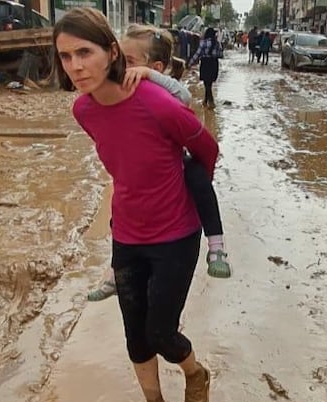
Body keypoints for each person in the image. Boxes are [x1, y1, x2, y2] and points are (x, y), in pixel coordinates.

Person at [53, 7, 214, 402]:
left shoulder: (158, 103)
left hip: (176, 234)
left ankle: (196, 374)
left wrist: (196, 202)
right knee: (134, 334)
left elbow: (206, 149)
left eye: (84, 52)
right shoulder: (82, 110)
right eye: (65, 57)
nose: (76, 66)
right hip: (127, 234)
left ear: (110, 52)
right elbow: (122, 162)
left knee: (160, 331)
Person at [87, 24, 232, 302]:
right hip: (138, 169)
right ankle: (114, 272)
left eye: (129, 62)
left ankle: (216, 246)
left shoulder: (159, 86)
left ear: (156, 66)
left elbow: (185, 97)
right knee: (122, 203)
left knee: (199, 180)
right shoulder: (114, 91)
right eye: (119, 59)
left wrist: (148, 75)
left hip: (174, 160)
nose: (122, 67)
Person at [187, 27, 222, 109]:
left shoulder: (203, 42)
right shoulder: (217, 43)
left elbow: (197, 54)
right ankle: (205, 101)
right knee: (209, 83)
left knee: (206, 83)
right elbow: (221, 54)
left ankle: (211, 101)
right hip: (214, 63)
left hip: (205, 63)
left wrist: (190, 63)